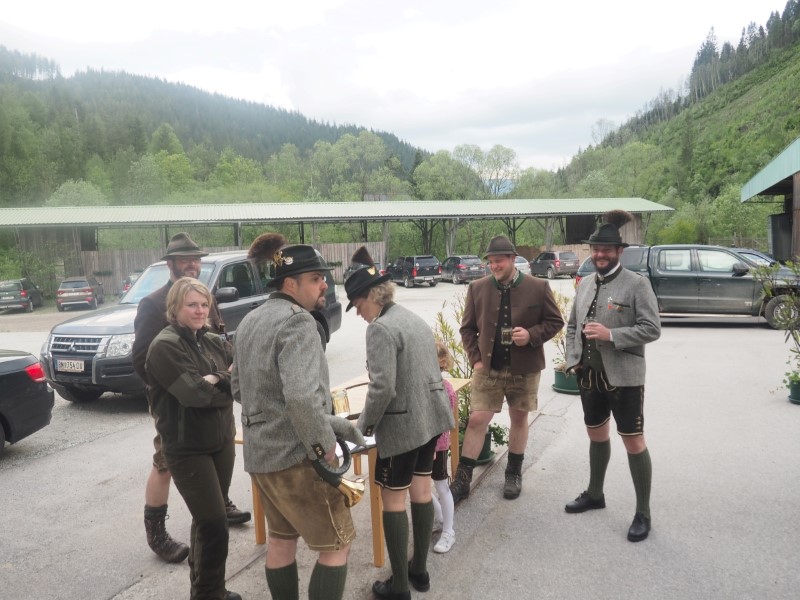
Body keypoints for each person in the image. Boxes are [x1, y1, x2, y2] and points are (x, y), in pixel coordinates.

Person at [233, 233, 363, 600]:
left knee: (281, 541)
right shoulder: (299, 322)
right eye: (315, 278)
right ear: (290, 284)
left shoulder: (249, 321)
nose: (324, 285)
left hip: (261, 457)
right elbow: (303, 399)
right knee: (337, 545)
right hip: (299, 459)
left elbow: (238, 388)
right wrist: (324, 447)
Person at [133, 232, 250, 564]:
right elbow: (142, 359)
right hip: (176, 403)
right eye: (185, 260)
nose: (192, 264)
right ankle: (157, 533)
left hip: (210, 403)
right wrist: (171, 392)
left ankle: (218, 503)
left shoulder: (201, 295)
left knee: (215, 454)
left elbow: (225, 352)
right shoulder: (154, 303)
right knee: (164, 463)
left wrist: (218, 379)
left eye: (196, 259)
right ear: (170, 264)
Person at [344, 246, 454, 600]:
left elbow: (382, 388)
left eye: (356, 305)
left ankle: (400, 586)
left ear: (368, 296)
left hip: (402, 427)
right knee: (421, 493)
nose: (358, 313)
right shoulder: (411, 318)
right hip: (429, 420)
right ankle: (419, 571)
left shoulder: (380, 329)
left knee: (392, 501)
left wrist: (362, 428)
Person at [564, 210, 661, 542]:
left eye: (606, 249)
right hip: (589, 376)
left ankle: (643, 512)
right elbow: (572, 326)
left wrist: (611, 335)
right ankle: (595, 494)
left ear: (620, 251)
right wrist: (573, 359)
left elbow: (652, 328)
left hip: (625, 377)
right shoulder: (585, 283)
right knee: (596, 434)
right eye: (595, 249)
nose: (600, 255)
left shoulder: (637, 284)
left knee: (633, 440)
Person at [145, 278, 241, 600]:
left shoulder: (212, 340)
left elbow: (242, 378)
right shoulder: (165, 346)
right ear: (175, 308)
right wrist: (225, 384)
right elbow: (194, 395)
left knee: (206, 523)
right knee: (214, 523)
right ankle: (208, 592)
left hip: (222, 441)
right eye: (192, 305)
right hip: (187, 448)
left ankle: (208, 590)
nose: (200, 311)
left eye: (204, 304)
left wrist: (216, 378)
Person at [451, 235, 564, 503]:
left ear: (513, 259)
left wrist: (531, 335)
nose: (494, 266)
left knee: (518, 418)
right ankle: (463, 479)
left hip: (524, 368)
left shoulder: (538, 287)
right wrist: (476, 360)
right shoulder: (477, 288)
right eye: (490, 262)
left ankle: (513, 473)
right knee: (477, 419)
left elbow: (555, 321)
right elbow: (467, 329)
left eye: (498, 261)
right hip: (488, 368)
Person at [431, 341, 457, 554]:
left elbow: (446, 421)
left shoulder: (445, 388)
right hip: (421, 444)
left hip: (436, 446)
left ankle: (448, 531)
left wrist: (432, 445)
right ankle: (439, 514)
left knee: (441, 486)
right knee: (415, 485)